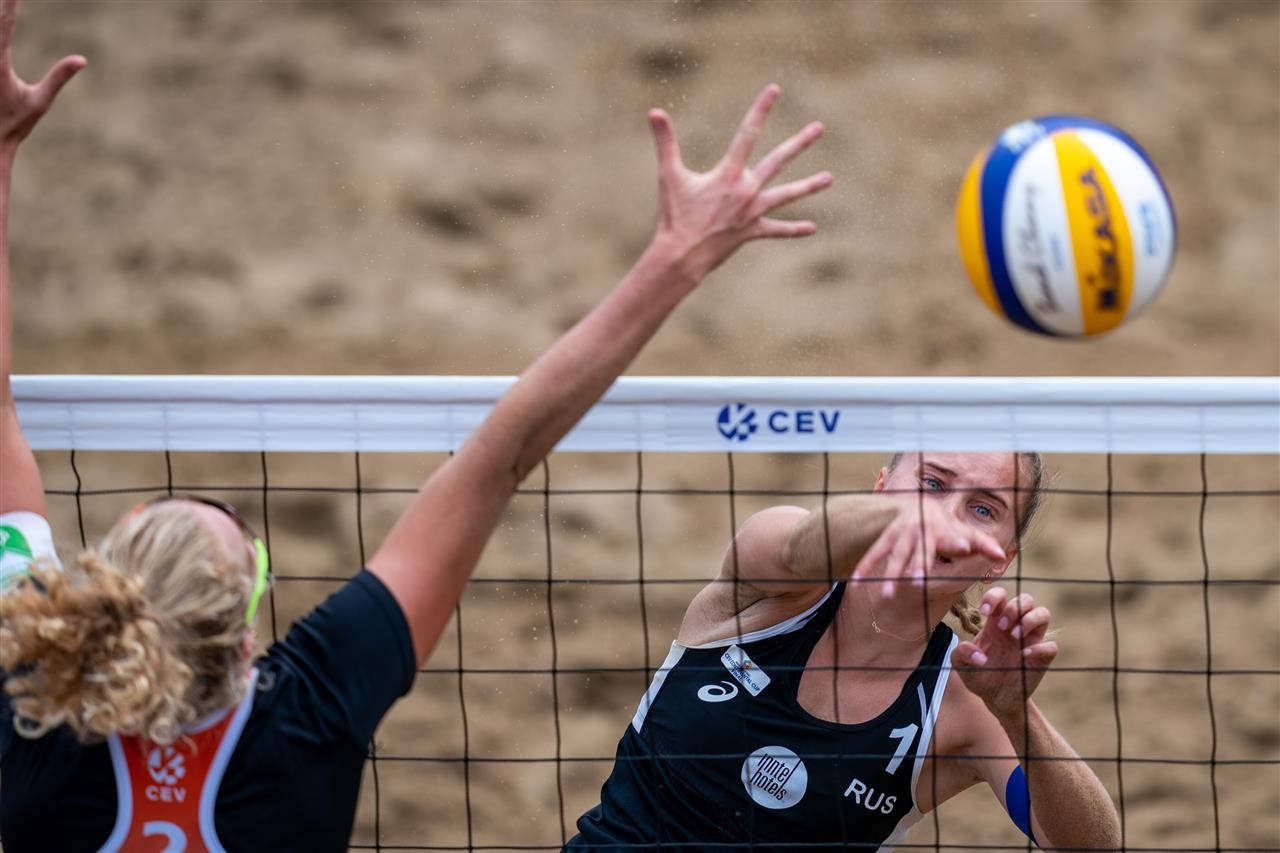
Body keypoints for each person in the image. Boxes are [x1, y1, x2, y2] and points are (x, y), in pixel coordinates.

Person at [0, 1, 833, 848]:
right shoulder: (306, 715)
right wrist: (678, 256)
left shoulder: (32, 703)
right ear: (247, 643)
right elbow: (503, 451)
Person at [570, 451, 1122, 851]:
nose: (946, 517)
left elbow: (1089, 847)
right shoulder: (780, 582)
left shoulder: (964, 702)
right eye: (932, 484)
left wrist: (1016, 713)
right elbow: (801, 546)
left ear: (1000, 558)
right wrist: (899, 521)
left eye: (982, 509)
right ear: (881, 488)